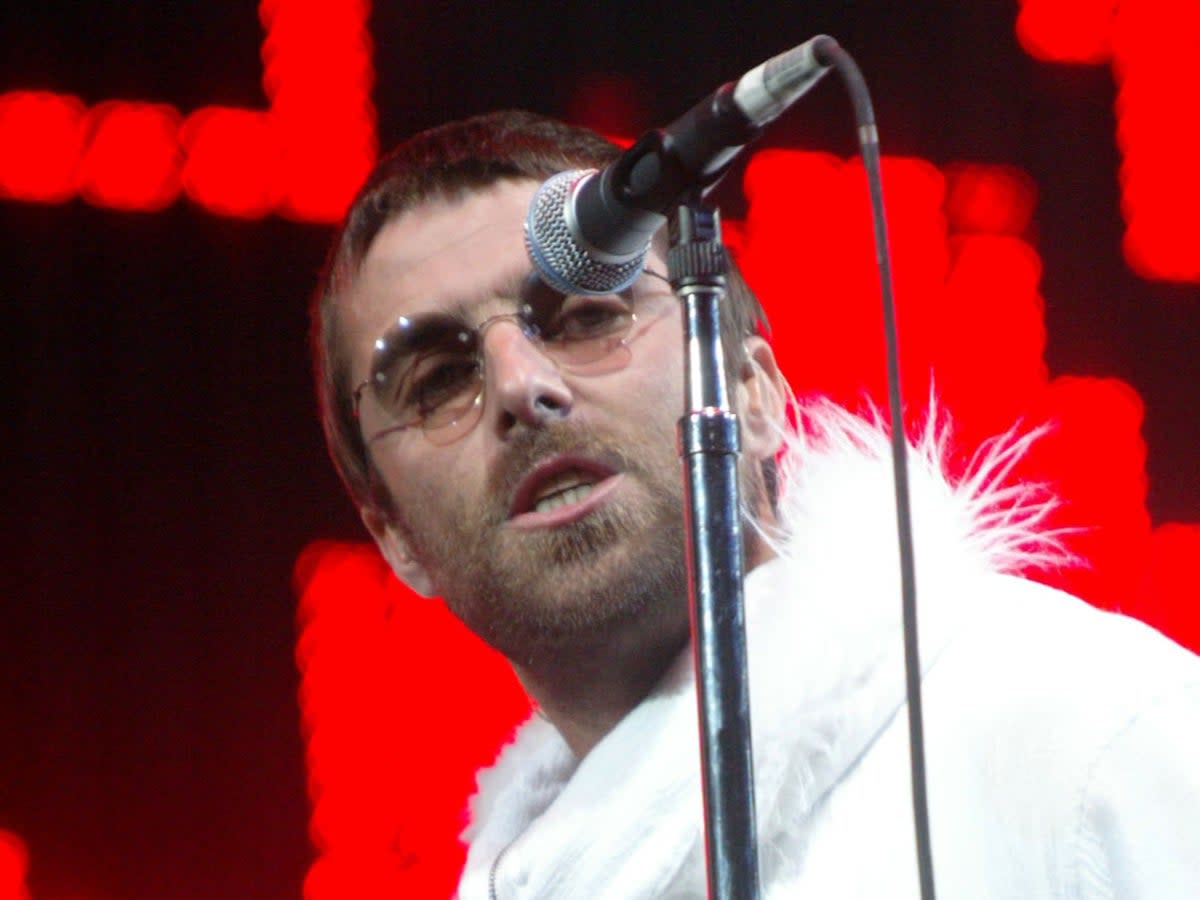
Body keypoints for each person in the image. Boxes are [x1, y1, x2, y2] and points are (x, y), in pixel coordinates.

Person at [311, 110, 1200, 898]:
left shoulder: (1085, 739)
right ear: (395, 541)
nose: (520, 383)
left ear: (757, 390)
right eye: (437, 380)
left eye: (585, 315)